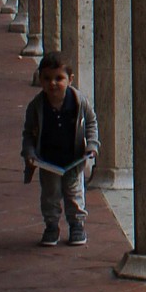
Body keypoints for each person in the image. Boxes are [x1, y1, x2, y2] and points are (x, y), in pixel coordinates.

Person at [21, 52, 98, 247]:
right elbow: (28, 133)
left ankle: (77, 225)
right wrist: (30, 153)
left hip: (73, 159)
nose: (53, 83)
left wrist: (92, 144)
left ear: (70, 80)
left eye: (59, 78)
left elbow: (91, 122)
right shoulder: (36, 106)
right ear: (40, 79)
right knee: (50, 195)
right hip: (47, 160)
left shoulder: (79, 101)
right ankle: (51, 226)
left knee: (74, 193)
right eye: (47, 78)